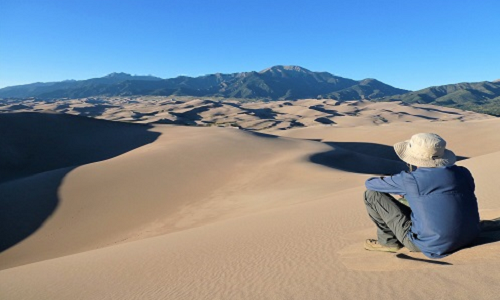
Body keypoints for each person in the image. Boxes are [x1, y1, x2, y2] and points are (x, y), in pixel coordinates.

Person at [363, 133, 481, 259]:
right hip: (471, 236)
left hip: (428, 244)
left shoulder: (410, 180)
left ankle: (388, 242)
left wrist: (402, 186)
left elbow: (370, 184)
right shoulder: (463, 172)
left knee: (371, 195)